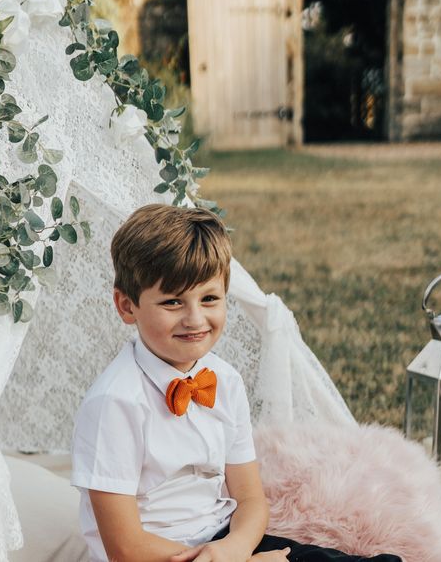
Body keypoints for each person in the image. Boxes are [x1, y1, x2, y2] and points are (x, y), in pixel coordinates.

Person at [70, 204, 401, 562]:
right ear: (126, 306)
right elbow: (125, 548)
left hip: (223, 542)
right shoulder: (114, 402)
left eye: (209, 298)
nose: (194, 319)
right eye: (172, 302)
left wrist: (238, 548)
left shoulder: (224, 380)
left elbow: (250, 499)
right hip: (157, 555)